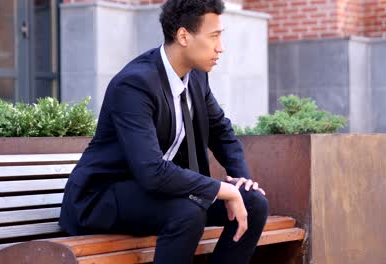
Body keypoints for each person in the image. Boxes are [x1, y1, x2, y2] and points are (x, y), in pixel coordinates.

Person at [59, 0, 269, 263]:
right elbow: (150, 171)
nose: (221, 48)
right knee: (188, 213)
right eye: (214, 36)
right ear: (184, 36)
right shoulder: (135, 84)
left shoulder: (197, 77)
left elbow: (221, 132)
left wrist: (241, 181)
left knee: (254, 203)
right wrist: (222, 190)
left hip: (154, 193)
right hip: (102, 198)